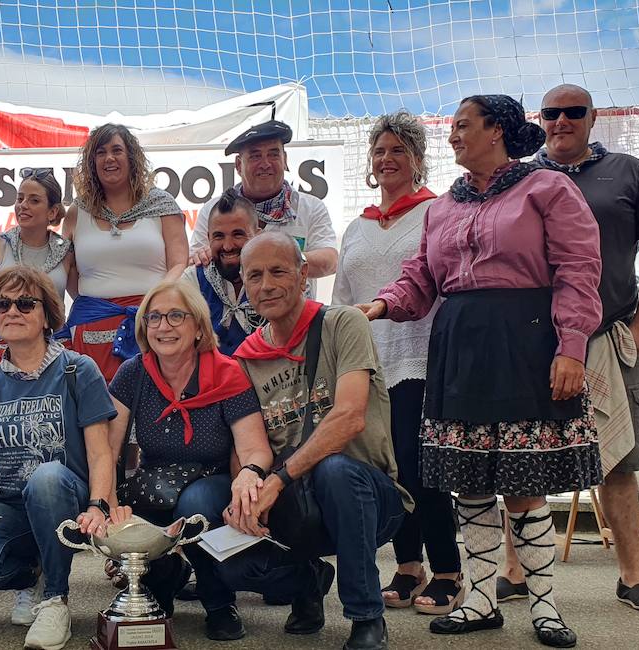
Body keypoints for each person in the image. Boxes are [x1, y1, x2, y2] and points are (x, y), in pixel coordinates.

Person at [361, 94, 603, 648]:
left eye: (462, 126)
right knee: (469, 485)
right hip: (458, 349)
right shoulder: (443, 208)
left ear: (496, 130)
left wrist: (571, 347)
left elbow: (579, 269)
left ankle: (545, 606)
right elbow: (421, 277)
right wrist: (377, 306)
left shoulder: (547, 188)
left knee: (523, 486)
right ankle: (481, 598)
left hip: (526, 343)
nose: (452, 136)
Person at [496, 83, 639, 614]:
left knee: (620, 459)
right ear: (540, 120)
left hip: (611, 337)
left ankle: (632, 575)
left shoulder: (628, 172)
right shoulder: (520, 175)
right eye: (552, 113)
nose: (562, 121)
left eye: (574, 112)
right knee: (523, 454)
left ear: (593, 118)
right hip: (536, 339)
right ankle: (514, 568)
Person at [219, 232, 409, 650]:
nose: (266, 285)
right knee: (229, 567)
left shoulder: (344, 323)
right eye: (254, 276)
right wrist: (245, 490)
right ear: (244, 286)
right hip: (292, 502)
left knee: (334, 469)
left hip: (366, 498)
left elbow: (349, 418)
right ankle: (308, 579)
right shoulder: (245, 359)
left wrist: (277, 480)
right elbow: (244, 444)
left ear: (304, 274)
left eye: (278, 271)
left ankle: (366, 617)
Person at [0, 266, 118, 650]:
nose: (12, 311)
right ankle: (35, 572)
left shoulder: (77, 369)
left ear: (46, 316)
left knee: (46, 476)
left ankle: (56, 598)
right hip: (10, 503)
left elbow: (101, 452)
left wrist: (98, 505)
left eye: (25, 303)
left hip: (63, 495)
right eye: (2, 304)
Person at [332, 111, 461, 615]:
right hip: (368, 363)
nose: (387, 159)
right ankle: (409, 567)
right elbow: (343, 299)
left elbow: (441, 285)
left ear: (417, 159)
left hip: (420, 357)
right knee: (386, 468)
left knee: (418, 464)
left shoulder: (437, 213)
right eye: (380, 151)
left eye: (398, 151)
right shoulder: (355, 228)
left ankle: (448, 569)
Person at [106, 279, 271, 641]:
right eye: (154, 318)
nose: (163, 326)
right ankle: (165, 578)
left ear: (198, 326)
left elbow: (256, 448)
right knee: (131, 518)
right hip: (155, 483)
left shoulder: (227, 372)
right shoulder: (133, 372)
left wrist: (249, 474)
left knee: (194, 503)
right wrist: (106, 501)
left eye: (176, 316)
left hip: (210, 482)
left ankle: (218, 602)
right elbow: (107, 446)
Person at [62, 123, 189, 382]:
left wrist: (152, 304)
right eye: (100, 152)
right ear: (91, 162)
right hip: (89, 331)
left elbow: (179, 263)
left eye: (117, 150)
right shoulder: (77, 211)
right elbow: (70, 272)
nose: (109, 158)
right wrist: (100, 300)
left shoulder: (162, 204)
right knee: (94, 412)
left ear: (131, 157)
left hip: (152, 325)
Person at [189, 120, 338, 297]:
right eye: (255, 156)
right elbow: (193, 262)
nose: (265, 163)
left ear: (285, 160)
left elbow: (330, 261)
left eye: (273, 154)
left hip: (292, 322)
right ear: (238, 165)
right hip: (225, 321)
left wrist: (275, 258)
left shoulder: (311, 208)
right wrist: (204, 255)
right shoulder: (213, 210)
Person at [0, 168, 74, 366]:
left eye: (34, 200)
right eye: (20, 198)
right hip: (5, 346)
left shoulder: (67, 251)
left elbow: (82, 294)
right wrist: (2, 308)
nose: (23, 206)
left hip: (55, 347)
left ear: (53, 211)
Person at [180, 188, 264, 355]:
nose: (227, 246)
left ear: (258, 236)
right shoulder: (192, 280)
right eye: (219, 236)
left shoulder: (276, 278)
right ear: (208, 237)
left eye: (238, 235)